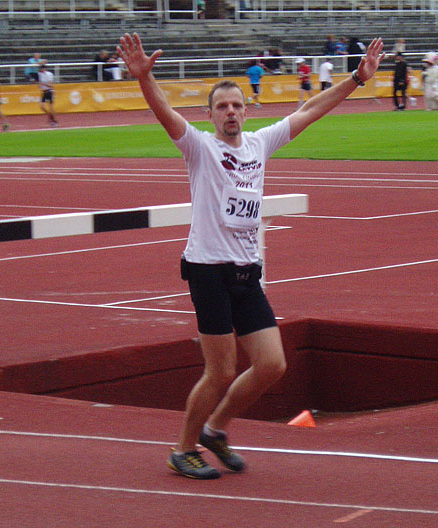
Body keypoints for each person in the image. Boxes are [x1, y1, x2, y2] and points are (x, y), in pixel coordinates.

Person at [117, 32, 385, 480]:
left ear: (246, 111)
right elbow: (165, 114)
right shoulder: (200, 148)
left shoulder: (260, 144)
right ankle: (182, 449)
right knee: (220, 371)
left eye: (237, 105)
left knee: (272, 364)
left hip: (246, 273)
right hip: (208, 270)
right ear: (209, 115)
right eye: (222, 106)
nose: (230, 112)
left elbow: (310, 111)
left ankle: (215, 429)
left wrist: (357, 79)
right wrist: (145, 77)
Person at [38, 62, 58, 126]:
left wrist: (43, 84)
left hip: (49, 91)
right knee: (42, 106)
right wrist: (40, 85)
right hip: (44, 92)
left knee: (51, 107)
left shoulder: (49, 74)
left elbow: (51, 85)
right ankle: (50, 116)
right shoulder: (40, 75)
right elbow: (39, 84)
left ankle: (55, 121)